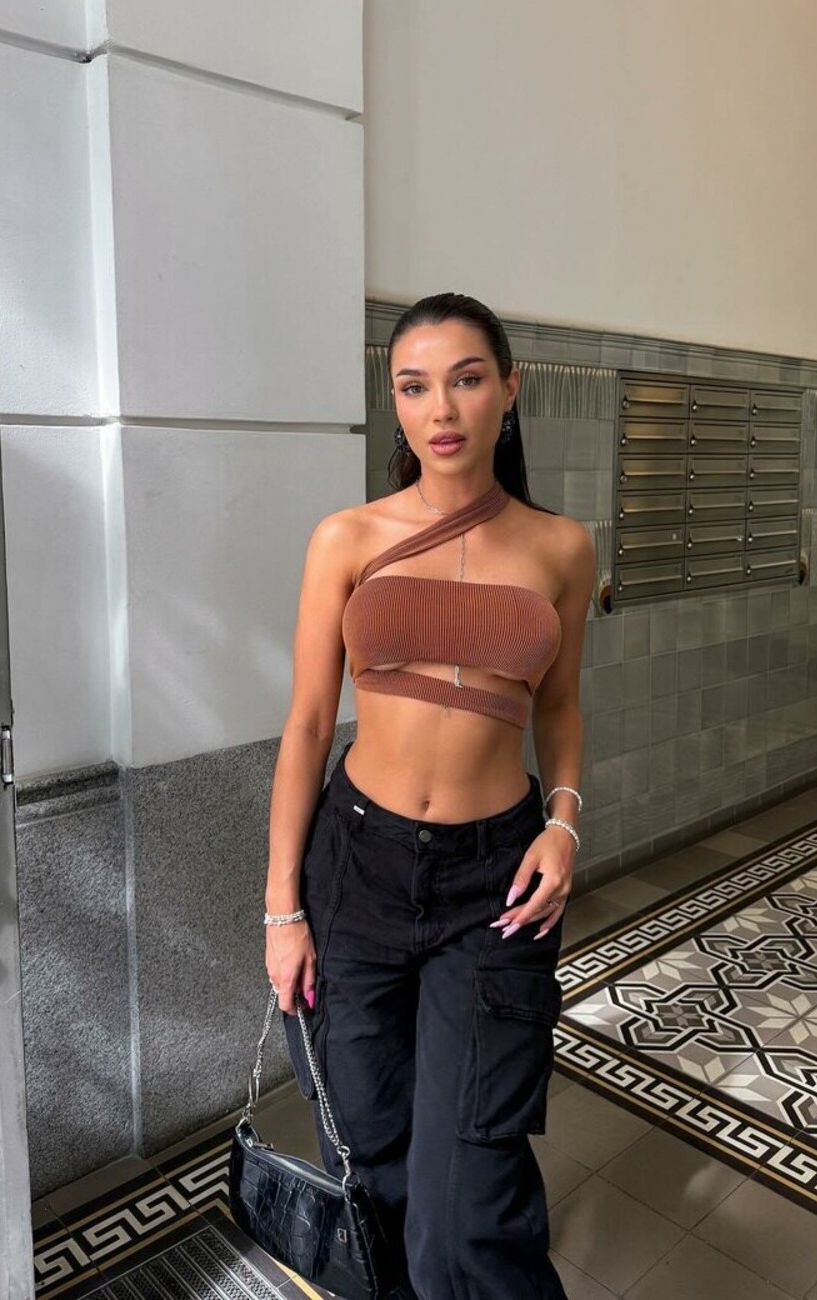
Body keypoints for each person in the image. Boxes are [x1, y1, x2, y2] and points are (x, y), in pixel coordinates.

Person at [262, 292, 593, 1299]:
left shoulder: (560, 548)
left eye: (466, 379)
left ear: (509, 390)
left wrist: (565, 821)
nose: (440, 409)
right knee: (370, 1166)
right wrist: (281, 910)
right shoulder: (346, 538)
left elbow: (561, 708)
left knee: (469, 1199)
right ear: (396, 403)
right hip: (355, 870)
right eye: (414, 387)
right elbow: (307, 726)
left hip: (495, 880)